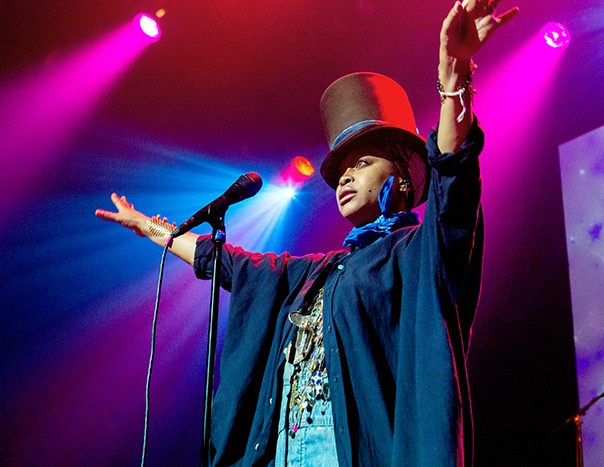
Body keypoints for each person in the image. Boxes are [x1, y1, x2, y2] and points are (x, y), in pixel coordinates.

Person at [96, 1, 518, 465]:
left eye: (361, 164)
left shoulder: (419, 253)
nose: (344, 178)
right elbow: (228, 261)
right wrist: (151, 229)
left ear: (399, 176)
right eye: (339, 171)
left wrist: (453, 77)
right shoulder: (315, 272)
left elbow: (453, 179)